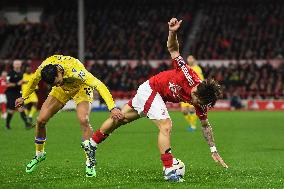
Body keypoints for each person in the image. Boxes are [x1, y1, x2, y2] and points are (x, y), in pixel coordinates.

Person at [84, 18, 228, 182]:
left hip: (154, 94)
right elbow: (173, 49)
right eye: (195, 98)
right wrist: (172, 32)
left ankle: (92, 144)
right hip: (152, 89)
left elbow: (205, 126)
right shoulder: (187, 73)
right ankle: (169, 170)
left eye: (199, 103)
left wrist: (213, 149)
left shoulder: (201, 102)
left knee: (120, 119)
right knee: (166, 125)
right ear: (197, 89)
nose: (195, 103)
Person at [15, 55, 123, 177]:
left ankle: (90, 162)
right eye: (53, 84)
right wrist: (24, 97)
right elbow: (34, 81)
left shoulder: (76, 71)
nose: (56, 84)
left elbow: (100, 85)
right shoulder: (44, 69)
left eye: (57, 81)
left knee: (83, 120)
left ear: (60, 72)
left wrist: (112, 107)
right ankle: (39, 154)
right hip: (62, 90)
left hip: (81, 88)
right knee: (40, 120)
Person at [180, 55, 204, 131]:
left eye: (191, 58)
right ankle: (191, 124)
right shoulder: (184, 68)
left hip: (193, 92)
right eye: (188, 58)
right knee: (184, 111)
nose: (190, 59)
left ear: (194, 59)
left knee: (191, 109)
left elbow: (200, 80)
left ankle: (193, 126)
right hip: (184, 92)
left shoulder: (197, 69)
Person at [6, 60, 30, 129]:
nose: (17, 65)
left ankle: (27, 124)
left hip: (18, 93)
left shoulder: (22, 73)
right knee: (11, 110)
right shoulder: (10, 74)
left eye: (18, 64)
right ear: (13, 65)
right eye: (16, 64)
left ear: (20, 65)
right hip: (10, 93)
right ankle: (7, 124)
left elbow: (22, 82)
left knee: (21, 108)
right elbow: (7, 84)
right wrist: (17, 84)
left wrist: (25, 82)